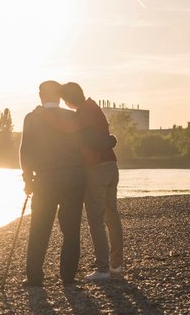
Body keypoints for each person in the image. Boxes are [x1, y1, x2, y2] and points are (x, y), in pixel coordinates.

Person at [39, 82, 123, 281]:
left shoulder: (85, 111)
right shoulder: (94, 107)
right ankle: (116, 264)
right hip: (111, 165)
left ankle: (103, 269)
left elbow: (68, 128)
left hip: (97, 167)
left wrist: (46, 115)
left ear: (68, 100)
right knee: (111, 215)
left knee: (96, 218)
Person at [19, 81, 85, 286]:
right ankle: (68, 276)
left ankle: (35, 277)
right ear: (59, 96)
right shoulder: (72, 117)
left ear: (40, 96)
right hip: (73, 178)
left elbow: (25, 151)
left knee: (39, 228)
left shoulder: (32, 118)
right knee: (71, 229)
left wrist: (27, 178)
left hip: (46, 179)